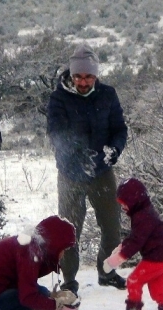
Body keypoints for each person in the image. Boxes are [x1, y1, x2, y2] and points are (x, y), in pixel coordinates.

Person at [46, 43, 128, 295]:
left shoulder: (107, 94)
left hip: (102, 171)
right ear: (72, 75)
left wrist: (113, 150)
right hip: (71, 174)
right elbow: (56, 132)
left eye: (89, 76)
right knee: (69, 231)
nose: (83, 82)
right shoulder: (59, 98)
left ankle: (107, 272)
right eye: (79, 76)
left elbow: (119, 129)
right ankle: (69, 280)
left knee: (113, 227)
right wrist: (76, 155)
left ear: (96, 75)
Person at [103, 178, 163, 310]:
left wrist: (117, 258)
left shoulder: (143, 216)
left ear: (134, 200)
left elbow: (136, 241)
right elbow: (135, 236)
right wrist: (121, 247)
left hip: (157, 258)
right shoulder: (143, 212)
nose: (123, 206)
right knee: (158, 291)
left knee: (134, 281)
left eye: (124, 203)